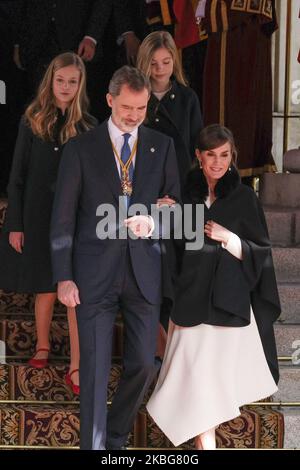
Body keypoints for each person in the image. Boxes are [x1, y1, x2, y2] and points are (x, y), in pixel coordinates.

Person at [50, 65, 180, 450]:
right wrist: (63, 276)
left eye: (140, 109)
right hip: (92, 274)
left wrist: (155, 219)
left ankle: (115, 434)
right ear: (109, 100)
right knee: (93, 370)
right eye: (127, 107)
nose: (134, 116)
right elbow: (62, 217)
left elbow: (176, 208)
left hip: (144, 273)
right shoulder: (80, 148)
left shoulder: (162, 145)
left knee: (143, 364)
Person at [147, 124, 281, 449]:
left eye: (224, 155)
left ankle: (203, 446)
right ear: (199, 156)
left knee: (206, 391)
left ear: (232, 156)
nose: (218, 163)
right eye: (211, 155)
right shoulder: (186, 196)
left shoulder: (245, 198)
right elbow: (178, 249)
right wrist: (168, 215)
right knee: (192, 386)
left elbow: (261, 253)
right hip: (190, 304)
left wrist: (230, 238)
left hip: (227, 308)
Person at [0, 52, 97, 395]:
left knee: (70, 292)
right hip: (38, 214)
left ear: (80, 83)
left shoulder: (88, 126)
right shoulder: (32, 120)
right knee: (44, 286)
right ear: (50, 81)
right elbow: (17, 177)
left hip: (73, 219)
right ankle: (42, 345)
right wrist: (16, 223)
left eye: (73, 81)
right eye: (60, 80)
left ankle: (76, 363)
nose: (66, 87)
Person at [137, 30, 203, 191]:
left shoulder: (188, 98)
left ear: (174, 59)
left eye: (166, 62)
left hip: (180, 181)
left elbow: (197, 143)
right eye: (153, 63)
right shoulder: (135, 97)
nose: (160, 68)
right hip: (143, 180)